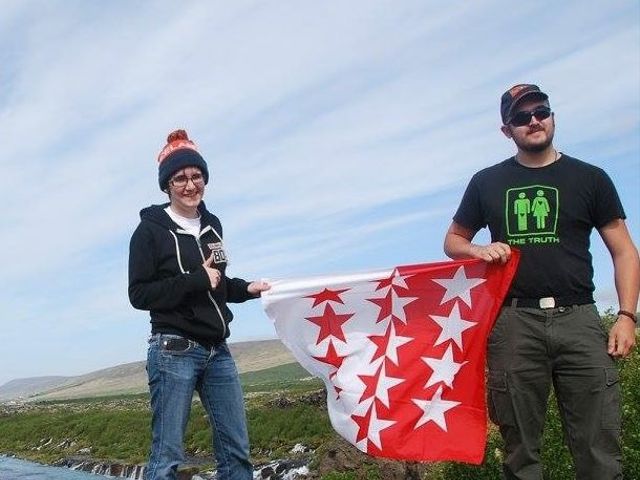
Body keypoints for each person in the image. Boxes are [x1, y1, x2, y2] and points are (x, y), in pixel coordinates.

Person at [443, 84, 639, 479]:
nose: (534, 121)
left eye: (541, 111)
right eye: (521, 116)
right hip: (514, 325)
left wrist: (626, 317)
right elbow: (453, 241)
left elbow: (625, 251)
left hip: (580, 321)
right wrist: (478, 250)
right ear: (507, 130)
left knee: (600, 449)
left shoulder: (591, 178)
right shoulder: (486, 182)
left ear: (552, 116)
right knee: (520, 455)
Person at [128, 129, 270, 480]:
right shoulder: (148, 232)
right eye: (180, 178)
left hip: (217, 352)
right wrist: (195, 278)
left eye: (196, 176)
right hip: (173, 350)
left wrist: (249, 288)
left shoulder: (213, 226)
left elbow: (218, 284)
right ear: (167, 185)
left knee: (237, 453)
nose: (190, 185)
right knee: (167, 458)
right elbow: (140, 295)